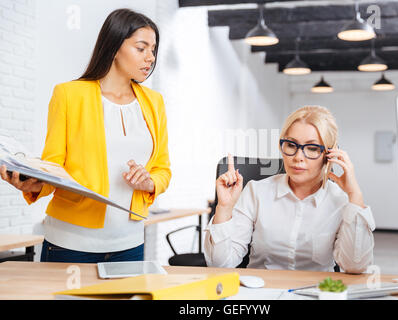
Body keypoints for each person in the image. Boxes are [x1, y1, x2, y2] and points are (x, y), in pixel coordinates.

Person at [0, 8, 171, 263]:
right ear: (114, 47)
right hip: (70, 243)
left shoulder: (154, 102)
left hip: (130, 243)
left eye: (153, 49)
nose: (150, 57)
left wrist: (149, 183)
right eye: (141, 48)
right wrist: (34, 183)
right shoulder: (69, 95)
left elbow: (163, 169)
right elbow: (53, 166)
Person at [204, 106, 375, 273]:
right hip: (263, 293)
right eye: (291, 145)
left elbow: (355, 266)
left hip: (317, 292)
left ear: (329, 155)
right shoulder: (256, 192)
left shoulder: (341, 200)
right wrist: (224, 209)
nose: (298, 157)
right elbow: (220, 266)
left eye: (312, 148)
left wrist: (355, 196)